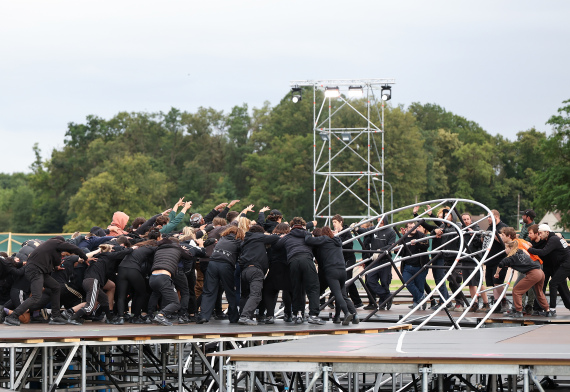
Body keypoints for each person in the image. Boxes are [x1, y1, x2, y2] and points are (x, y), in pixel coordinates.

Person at [4, 236, 92, 327]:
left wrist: (56, 267)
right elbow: (73, 248)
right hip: (35, 270)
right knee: (36, 296)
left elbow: (52, 262)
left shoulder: (51, 250)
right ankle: (13, 316)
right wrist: (85, 257)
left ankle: (55, 316)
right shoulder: (54, 243)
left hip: (40, 271)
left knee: (56, 287)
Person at [274, 217, 324, 325]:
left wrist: (280, 237)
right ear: (303, 225)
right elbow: (315, 248)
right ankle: (313, 315)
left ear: (291, 226)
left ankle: (297, 314)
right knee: (313, 288)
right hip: (306, 260)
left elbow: (277, 246)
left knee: (297, 289)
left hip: (293, 262)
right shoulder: (308, 235)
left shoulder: (287, 237)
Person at [305, 226, 358, 325]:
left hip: (331, 270)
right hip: (342, 270)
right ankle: (339, 316)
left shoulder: (323, 240)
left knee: (337, 294)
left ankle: (346, 313)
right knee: (342, 294)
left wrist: (308, 233)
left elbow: (308, 240)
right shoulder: (337, 241)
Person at [197, 226, 244, 324]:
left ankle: (204, 316)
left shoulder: (222, 239)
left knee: (209, 291)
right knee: (230, 291)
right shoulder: (238, 242)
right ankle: (233, 317)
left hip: (212, 263)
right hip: (226, 265)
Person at [494, 241, 552, 317]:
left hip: (533, 274)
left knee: (517, 291)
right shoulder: (521, 252)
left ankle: (518, 312)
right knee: (539, 293)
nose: (505, 250)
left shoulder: (511, 258)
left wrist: (497, 273)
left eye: (506, 248)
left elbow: (501, 264)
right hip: (540, 272)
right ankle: (548, 311)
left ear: (510, 248)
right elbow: (526, 257)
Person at [237, 224, 280, 325]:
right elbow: (274, 238)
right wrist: (267, 234)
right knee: (256, 295)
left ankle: (244, 315)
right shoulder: (258, 236)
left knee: (245, 295)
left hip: (245, 271)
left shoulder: (245, 241)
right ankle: (245, 316)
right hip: (256, 270)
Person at [527, 224, 570, 315]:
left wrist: (529, 249)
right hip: (559, 264)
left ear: (547, 232)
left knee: (554, 284)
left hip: (565, 264)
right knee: (555, 285)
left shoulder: (553, 239)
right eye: (538, 233)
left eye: (541, 233)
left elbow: (544, 252)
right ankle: (544, 308)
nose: (540, 235)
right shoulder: (552, 238)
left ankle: (552, 309)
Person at [357, 216, 396, 310]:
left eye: (382, 222)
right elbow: (364, 231)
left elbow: (391, 246)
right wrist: (357, 228)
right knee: (370, 280)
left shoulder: (391, 232)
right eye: (378, 222)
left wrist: (380, 251)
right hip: (375, 261)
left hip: (385, 261)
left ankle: (383, 303)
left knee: (384, 282)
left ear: (385, 222)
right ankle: (387, 296)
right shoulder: (374, 229)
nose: (380, 224)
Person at [332, 214, 363, 308]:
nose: (334, 224)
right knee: (348, 280)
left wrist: (337, 236)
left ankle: (342, 302)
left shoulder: (346, 232)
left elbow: (348, 244)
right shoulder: (334, 233)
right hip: (340, 259)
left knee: (346, 279)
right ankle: (357, 301)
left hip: (349, 258)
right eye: (333, 222)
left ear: (340, 222)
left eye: (335, 222)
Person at [460, 212, 490, 312]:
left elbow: (480, 243)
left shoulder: (476, 228)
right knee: (470, 283)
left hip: (474, 259)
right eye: (463, 219)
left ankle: (486, 303)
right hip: (465, 258)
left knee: (479, 282)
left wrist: (474, 234)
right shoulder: (461, 230)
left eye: (467, 219)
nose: (466, 221)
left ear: (470, 219)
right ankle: (474, 303)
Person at [482, 209, 508, 312]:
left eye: (489, 217)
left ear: (496, 217)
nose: (487, 219)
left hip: (500, 259)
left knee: (498, 282)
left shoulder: (503, 227)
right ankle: (497, 304)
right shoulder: (490, 227)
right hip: (490, 259)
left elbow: (504, 241)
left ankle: (504, 301)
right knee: (492, 282)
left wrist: (495, 234)